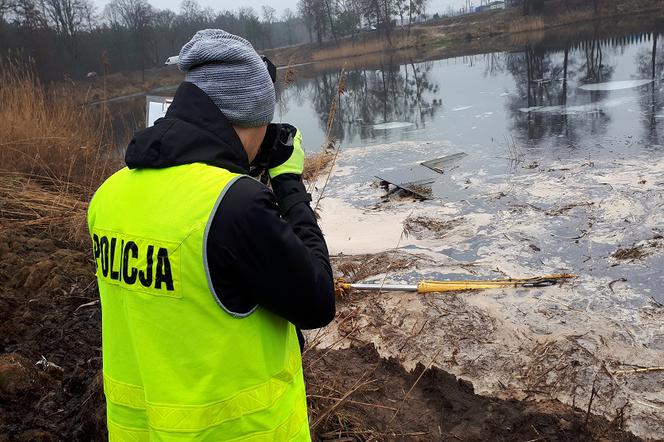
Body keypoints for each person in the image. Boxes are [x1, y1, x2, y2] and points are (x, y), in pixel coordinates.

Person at [87, 29, 336, 441]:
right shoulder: (233, 206)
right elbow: (317, 301)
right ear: (251, 118)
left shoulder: (109, 195)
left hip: (141, 429)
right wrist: (288, 181)